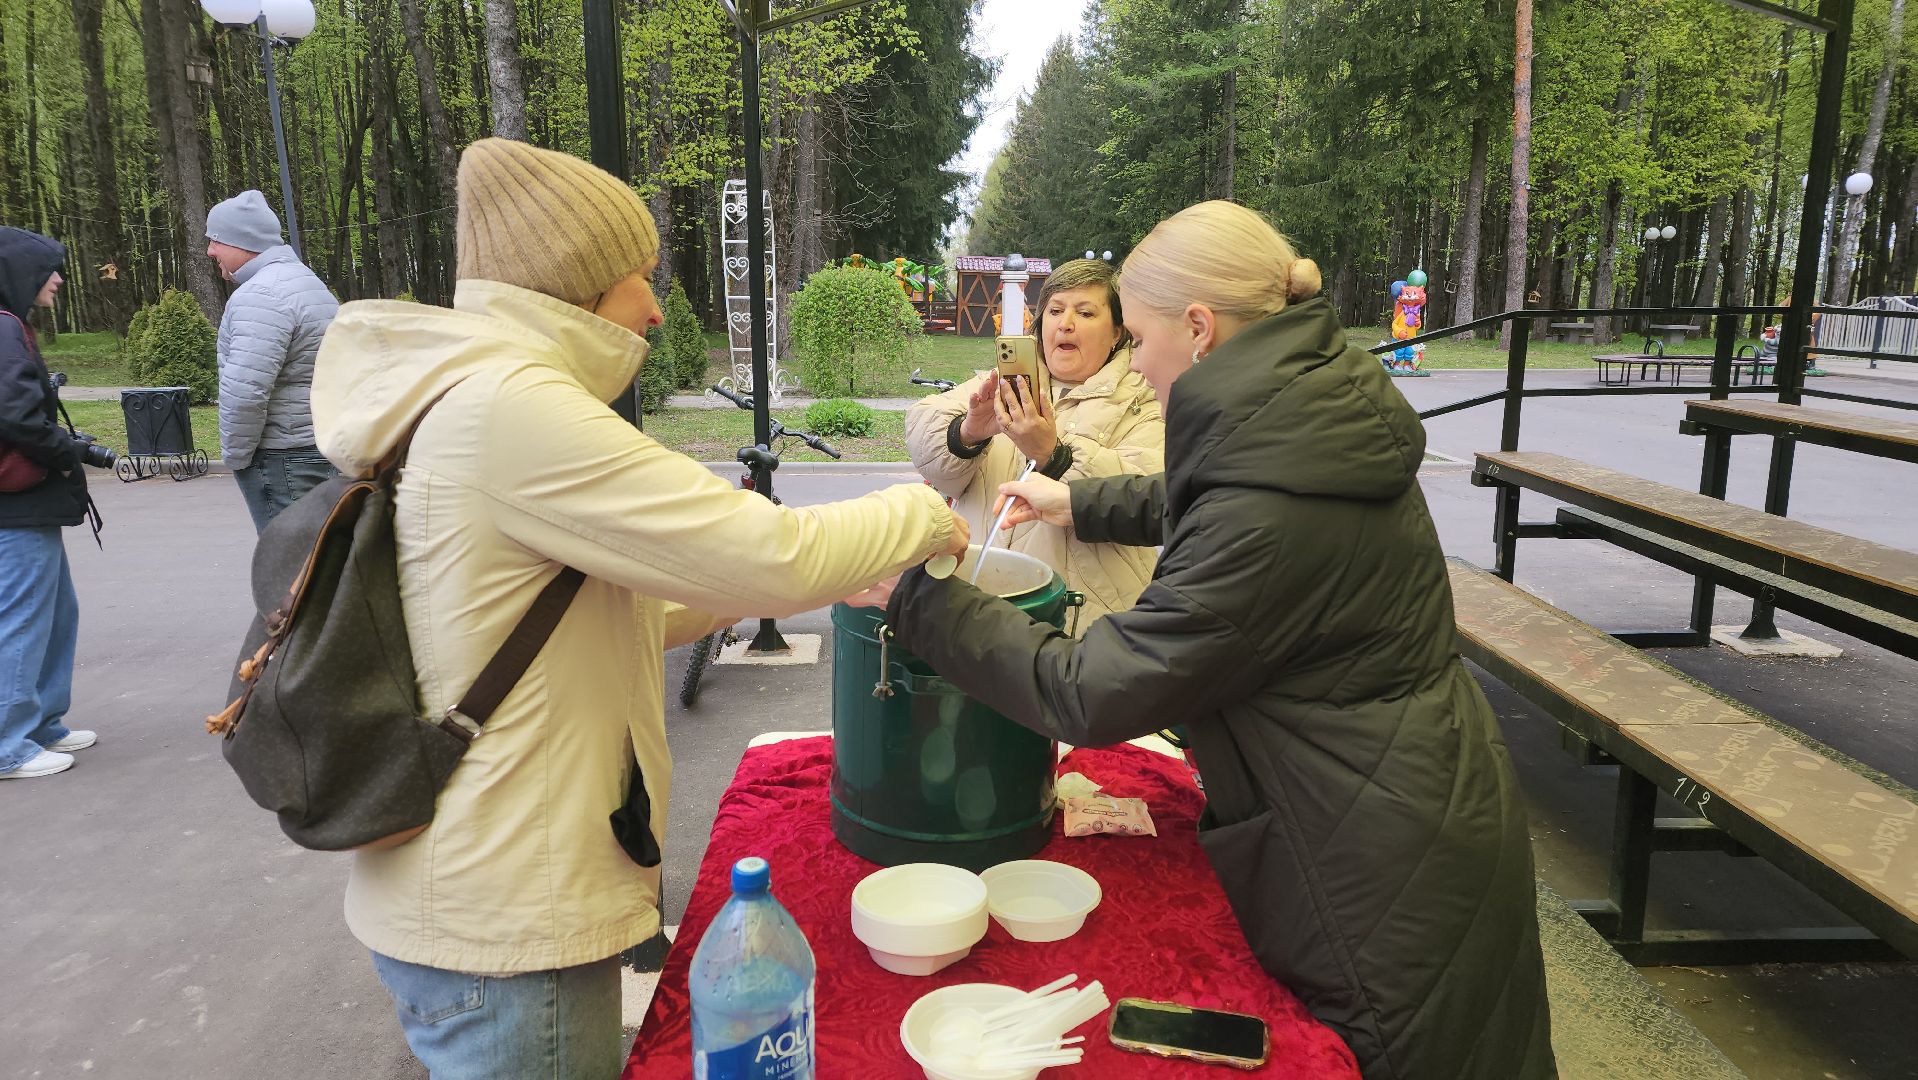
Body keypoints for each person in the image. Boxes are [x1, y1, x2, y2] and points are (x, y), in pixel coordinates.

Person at [310, 138, 967, 1079]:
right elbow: (770, 551)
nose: (657, 308)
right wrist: (918, 512)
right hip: (505, 923)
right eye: (639, 278)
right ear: (575, 284)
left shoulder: (454, 394)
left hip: (462, 893)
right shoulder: (515, 407)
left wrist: (776, 591)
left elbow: (606, 610)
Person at [859, 201, 1554, 1079]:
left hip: (1369, 864)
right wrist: (1075, 495)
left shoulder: (1271, 501)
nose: (1139, 366)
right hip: (1411, 795)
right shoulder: (1307, 408)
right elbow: (1203, 497)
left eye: (1139, 339)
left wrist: (919, 600)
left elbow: (1090, 690)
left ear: (1198, 330)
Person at [905, 258, 1162, 624]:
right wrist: (969, 433)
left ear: (1117, 332)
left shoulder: (1144, 400)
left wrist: (1053, 455)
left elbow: (1148, 495)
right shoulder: (1007, 382)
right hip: (978, 603)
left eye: (1086, 313)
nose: (1066, 324)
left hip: (1079, 619)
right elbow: (922, 429)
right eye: (1055, 310)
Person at [0, 228, 97, 780]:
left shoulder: (12, 327)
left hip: (29, 499)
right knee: (22, 619)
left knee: (57, 614)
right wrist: (67, 453)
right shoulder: (4, 329)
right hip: (16, 502)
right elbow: (15, 417)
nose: (58, 278)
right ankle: (9, 745)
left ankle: (41, 724)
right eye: (49, 269)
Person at [205, 190, 340, 532]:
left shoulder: (261, 295)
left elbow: (246, 392)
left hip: (282, 461)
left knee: (288, 573)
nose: (210, 250)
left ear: (240, 241)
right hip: (317, 448)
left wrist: (238, 459)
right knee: (319, 566)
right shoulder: (307, 283)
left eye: (215, 240)